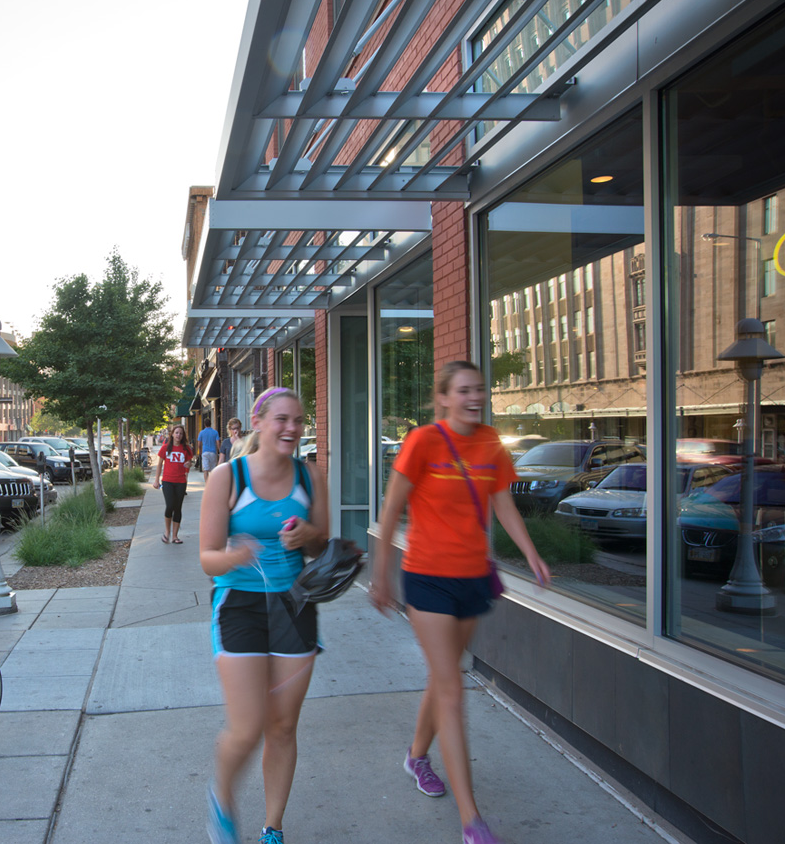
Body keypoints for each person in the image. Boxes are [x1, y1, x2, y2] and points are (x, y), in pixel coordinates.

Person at [371, 361, 551, 844]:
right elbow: (391, 509)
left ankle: (415, 756)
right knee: (452, 689)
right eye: (465, 390)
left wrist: (531, 554)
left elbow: (502, 503)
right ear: (444, 398)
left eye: (480, 389)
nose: (475, 397)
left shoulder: (490, 442)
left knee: (444, 675)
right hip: (428, 578)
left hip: (474, 577)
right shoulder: (423, 442)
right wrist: (381, 575)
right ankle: (472, 820)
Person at [199, 387, 329, 844]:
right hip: (239, 604)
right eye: (282, 419)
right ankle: (222, 796)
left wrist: (306, 535)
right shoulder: (226, 477)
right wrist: (236, 557)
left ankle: (273, 827)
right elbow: (207, 559)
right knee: (248, 726)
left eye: (298, 420)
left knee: (283, 725)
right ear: (258, 421)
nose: (292, 428)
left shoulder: (310, 476)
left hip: (295, 605)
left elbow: (321, 545)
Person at [153, 425, 194, 544]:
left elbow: (189, 462)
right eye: (176, 433)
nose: (178, 435)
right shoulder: (165, 448)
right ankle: (167, 532)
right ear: (172, 434)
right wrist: (156, 480)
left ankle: (175, 536)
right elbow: (160, 464)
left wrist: (188, 465)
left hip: (181, 481)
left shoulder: (186, 448)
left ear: (183, 436)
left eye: (181, 433)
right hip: (167, 481)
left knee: (178, 508)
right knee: (170, 505)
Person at [197, 418, 221, 482]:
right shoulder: (215, 432)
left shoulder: (201, 433)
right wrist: (219, 451)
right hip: (213, 452)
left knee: (206, 470)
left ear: (204, 424)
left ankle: (207, 485)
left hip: (205, 452)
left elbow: (199, 444)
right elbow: (218, 442)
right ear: (211, 424)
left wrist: (200, 451)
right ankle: (212, 483)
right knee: (213, 469)